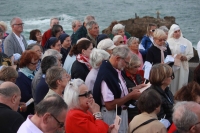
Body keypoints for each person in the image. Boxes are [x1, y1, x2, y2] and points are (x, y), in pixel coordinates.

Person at [93, 45, 141, 133]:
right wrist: (130, 96)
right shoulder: (107, 74)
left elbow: (119, 91)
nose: (126, 65)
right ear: (118, 58)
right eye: (126, 62)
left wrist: (135, 88)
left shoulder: (114, 69)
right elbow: (109, 105)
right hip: (112, 115)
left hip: (120, 113)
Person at [167, 24, 194, 94]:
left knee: (182, 82)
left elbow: (191, 54)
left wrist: (185, 57)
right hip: (173, 65)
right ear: (172, 32)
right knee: (173, 82)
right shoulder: (168, 42)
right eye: (175, 32)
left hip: (182, 66)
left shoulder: (187, 42)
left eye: (179, 31)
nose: (178, 33)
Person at [15, 50, 40, 118]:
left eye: (37, 63)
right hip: (27, 111)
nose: (36, 65)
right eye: (34, 63)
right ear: (26, 63)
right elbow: (26, 97)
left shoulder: (33, 72)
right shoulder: (20, 77)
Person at [122, 54, 146, 120]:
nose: (138, 69)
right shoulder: (122, 76)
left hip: (139, 108)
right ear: (128, 66)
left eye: (138, 66)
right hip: (129, 110)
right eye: (135, 67)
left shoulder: (137, 75)